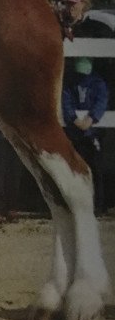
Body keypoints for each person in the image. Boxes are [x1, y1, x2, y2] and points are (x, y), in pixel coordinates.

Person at [62, 56, 109, 215]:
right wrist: (73, 119)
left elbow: (102, 101)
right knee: (74, 168)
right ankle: (75, 204)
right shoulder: (70, 82)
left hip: (92, 133)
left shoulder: (98, 83)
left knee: (95, 168)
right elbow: (66, 100)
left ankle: (98, 204)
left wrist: (91, 118)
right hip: (75, 133)